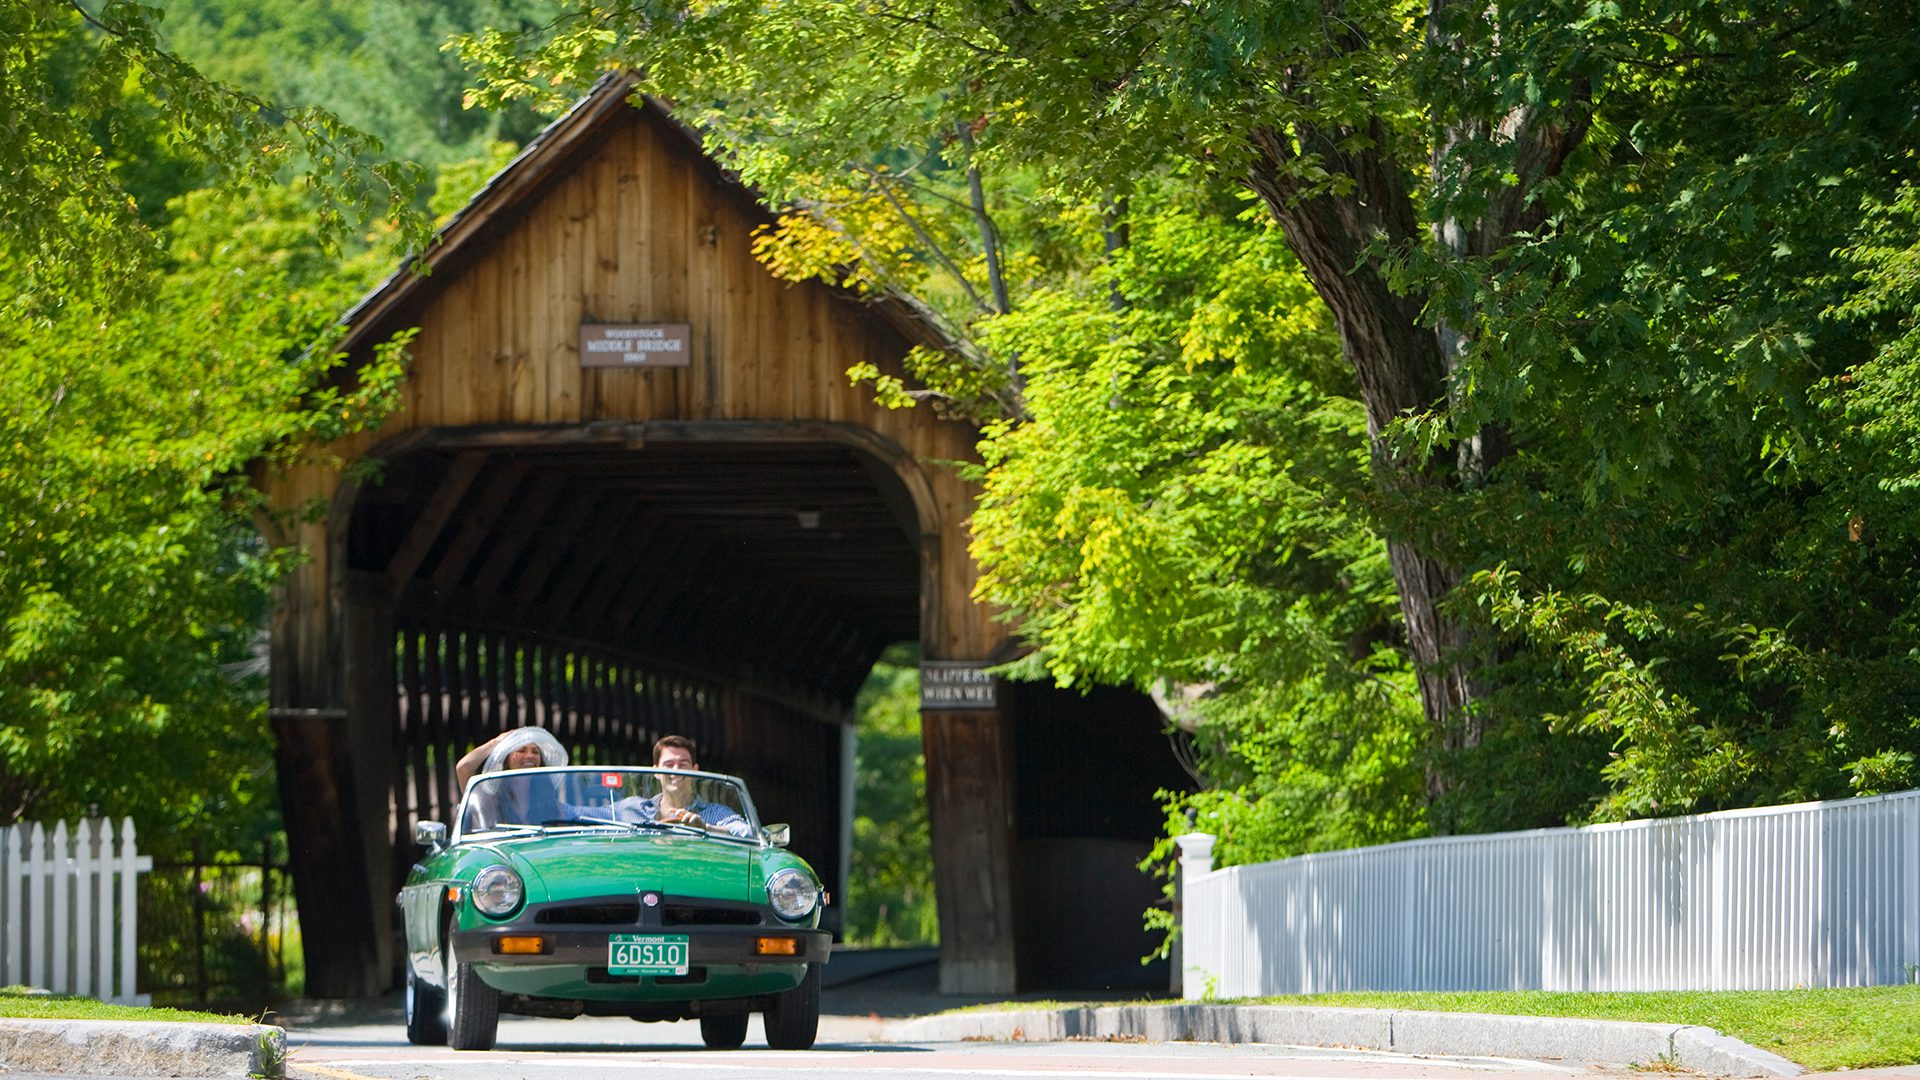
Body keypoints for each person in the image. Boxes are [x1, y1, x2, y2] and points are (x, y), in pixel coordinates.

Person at [615, 735, 754, 837]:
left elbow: (750, 833)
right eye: (669, 765)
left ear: (695, 770)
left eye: (683, 764)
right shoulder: (631, 808)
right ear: (655, 771)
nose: (676, 770)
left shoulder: (716, 814)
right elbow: (593, 816)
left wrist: (706, 828)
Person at [455, 726, 569, 828]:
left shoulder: (547, 801)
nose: (529, 756)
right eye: (521, 750)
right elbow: (463, 767)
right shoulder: (490, 799)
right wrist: (495, 742)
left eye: (535, 752)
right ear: (507, 760)